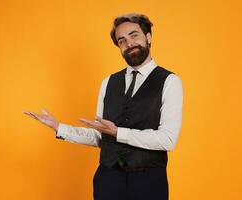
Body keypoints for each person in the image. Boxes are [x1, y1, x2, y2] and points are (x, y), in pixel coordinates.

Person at [24, 13, 183, 200]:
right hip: (108, 181)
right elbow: (101, 137)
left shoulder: (170, 81)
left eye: (134, 35)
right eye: (121, 40)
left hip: (148, 182)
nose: (129, 43)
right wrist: (59, 128)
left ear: (148, 37)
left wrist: (118, 132)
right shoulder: (108, 83)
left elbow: (167, 139)